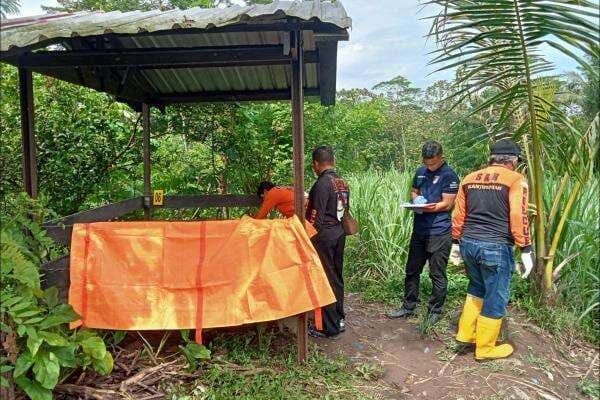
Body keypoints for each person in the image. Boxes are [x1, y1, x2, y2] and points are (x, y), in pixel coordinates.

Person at [451, 139, 533, 361]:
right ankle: (486, 348)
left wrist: (455, 243)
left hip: (468, 243)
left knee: (476, 288)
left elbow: (459, 214)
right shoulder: (516, 180)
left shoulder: (469, 178)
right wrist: (526, 248)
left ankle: (465, 335)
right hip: (495, 246)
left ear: (492, 158)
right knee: (496, 295)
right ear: (513, 160)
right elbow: (519, 215)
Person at [388, 140, 459, 325]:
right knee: (412, 270)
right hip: (419, 229)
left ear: (441, 157)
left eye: (433, 163)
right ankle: (408, 306)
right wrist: (416, 200)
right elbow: (414, 190)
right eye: (427, 163)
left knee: (437, 273)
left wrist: (429, 207)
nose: (430, 166)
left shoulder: (449, 176)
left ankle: (435, 309)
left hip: (439, 231)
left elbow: (447, 203)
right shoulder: (420, 172)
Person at [306, 146, 349, 340]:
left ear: (316, 164)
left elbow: (316, 217)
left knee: (327, 279)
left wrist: (307, 239)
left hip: (325, 237)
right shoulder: (341, 182)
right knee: (337, 276)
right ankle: (339, 318)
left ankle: (329, 327)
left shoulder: (321, 184)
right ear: (333, 160)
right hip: (339, 233)